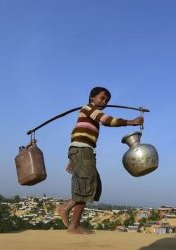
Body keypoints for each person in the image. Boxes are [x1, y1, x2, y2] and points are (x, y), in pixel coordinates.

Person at [57, 87, 143, 234]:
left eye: (107, 100)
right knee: (85, 186)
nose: (104, 102)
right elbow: (107, 120)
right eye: (102, 98)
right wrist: (131, 122)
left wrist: (73, 158)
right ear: (92, 98)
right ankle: (74, 226)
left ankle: (66, 208)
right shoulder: (88, 108)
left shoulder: (90, 113)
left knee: (93, 186)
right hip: (82, 150)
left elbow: (78, 134)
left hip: (85, 151)